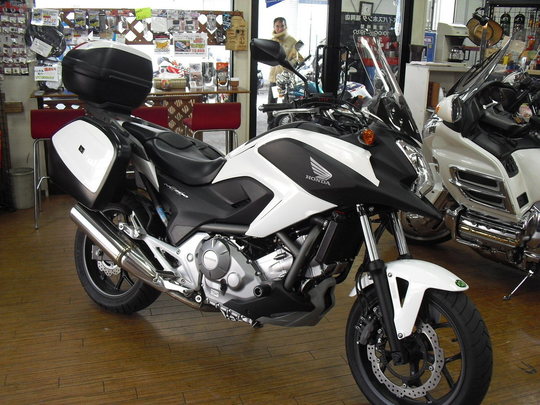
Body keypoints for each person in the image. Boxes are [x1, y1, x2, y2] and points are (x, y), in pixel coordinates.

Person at [267, 17, 303, 128]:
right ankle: (271, 126)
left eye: (282, 26)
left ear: (285, 26)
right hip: (274, 78)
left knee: (286, 104)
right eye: (277, 26)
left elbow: (298, 59)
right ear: (274, 27)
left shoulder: (292, 41)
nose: (280, 28)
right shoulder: (272, 41)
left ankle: (284, 126)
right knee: (271, 104)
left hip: (286, 79)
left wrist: (289, 64)